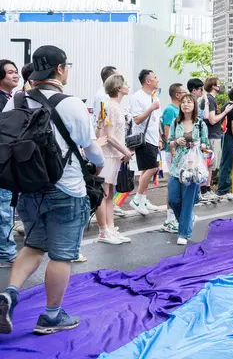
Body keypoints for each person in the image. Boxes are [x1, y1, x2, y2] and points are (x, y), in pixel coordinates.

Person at [0, 45, 104, 335]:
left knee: (33, 245)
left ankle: (8, 294)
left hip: (29, 188)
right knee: (61, 256)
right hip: (66, 190)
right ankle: (51, 316)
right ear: (60, 69)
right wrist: (99, 165)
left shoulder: (16, 101)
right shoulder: (71, 104)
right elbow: (90, 147)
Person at [95, 74, 134, 245]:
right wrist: (125, 151)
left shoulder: (115, 106)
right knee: (104, 193)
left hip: (114, 154)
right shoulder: (111, 106)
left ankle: (110, 228)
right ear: (118, 88)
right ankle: (103, 230)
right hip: (108, 154)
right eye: (125, 84)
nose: (128, 86)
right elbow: (109, 136)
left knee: (109, 193)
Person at [167, 94, 209, 245]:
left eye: (189, 102)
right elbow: (169, 142)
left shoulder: (200, 124)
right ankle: (187, 220)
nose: (185, 104)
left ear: (194, 105)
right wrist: (176, 141)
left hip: (193, 167)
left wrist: (198, 144)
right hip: (177, 166)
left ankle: (184, 233)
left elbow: (206, 145)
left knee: (187, 201)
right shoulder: (175, 122)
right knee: (173, 199)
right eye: (183, 102)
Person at [128, 69, 162, 215]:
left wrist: (159, 138)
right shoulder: (138, 97)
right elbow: (136, 119)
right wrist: (151, 108)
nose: (157, 79)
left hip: (153, 138)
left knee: (145, 170)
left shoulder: (152, 96)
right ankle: (137, 199)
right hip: (144, 139)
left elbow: (155, 121)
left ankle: (143, 199)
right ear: (148, 81)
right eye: (155, 77)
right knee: (152, 168)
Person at [0, 59, 19, 268]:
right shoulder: (2, 101)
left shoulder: (10, 98)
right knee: (4, 209)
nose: (15, 75)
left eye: (16, 72)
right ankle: (6, 253)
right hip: (3, 162)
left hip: (8, 161)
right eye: (10, 72)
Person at [161, 83, 185, 232]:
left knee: (181, 185)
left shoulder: (180, 110)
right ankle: (170, 218)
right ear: (177, 95)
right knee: (173, 185)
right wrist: (174, 151)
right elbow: (167, 132)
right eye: (184, 92)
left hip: (181, 152)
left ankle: (176, 216)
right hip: (173, 152)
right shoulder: (170, 110)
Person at [204, 77, 233, 198]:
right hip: (212, 136)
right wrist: (225, 112)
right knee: (209, 164)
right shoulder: (211, 99)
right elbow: (212, 119)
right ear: (213, 86)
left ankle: (207, 189)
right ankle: (205, 190)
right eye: (218, 84)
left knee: (211, 165)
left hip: (213, 134)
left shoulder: (210, 99)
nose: (220, 87)